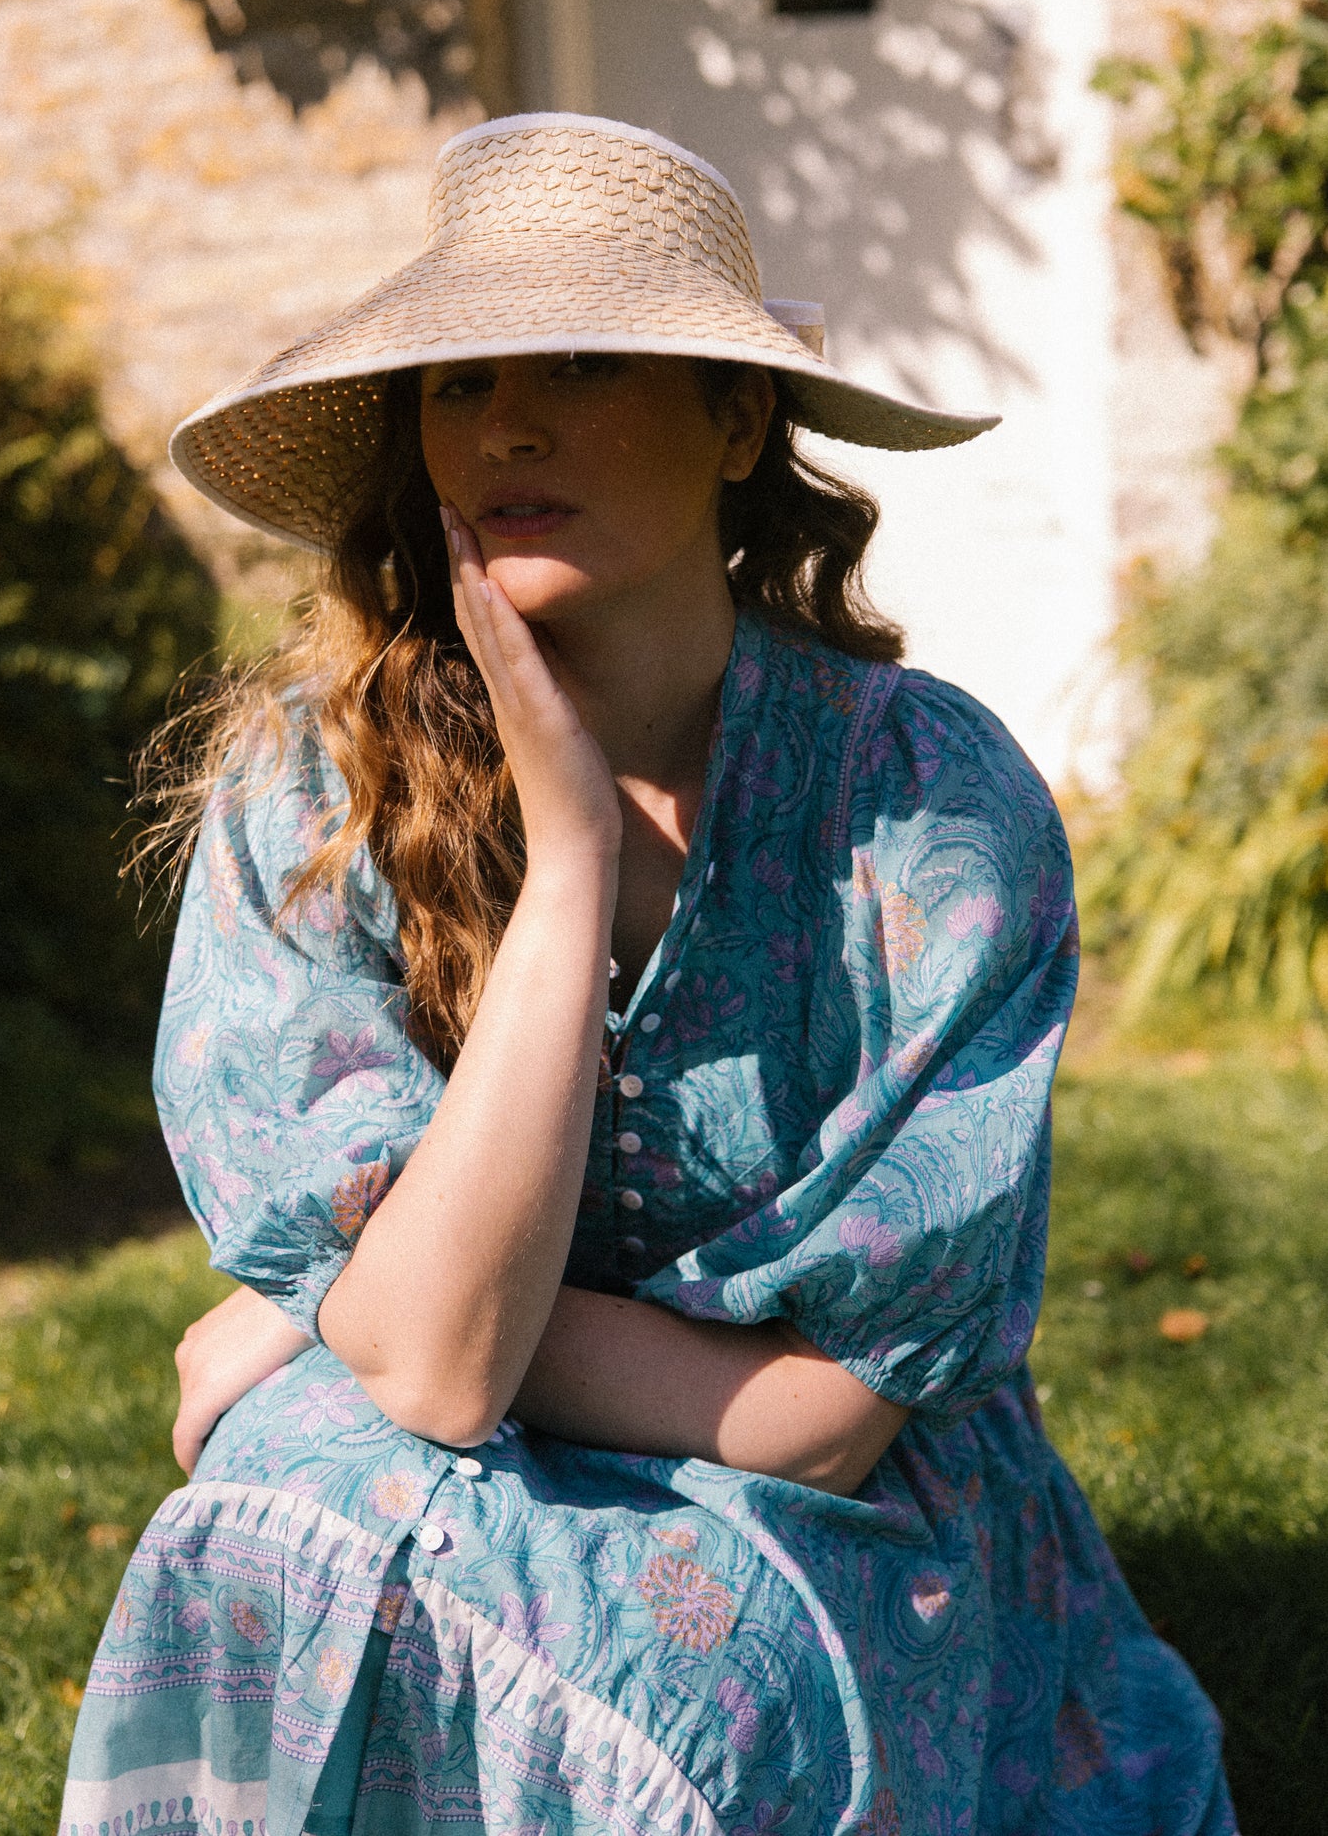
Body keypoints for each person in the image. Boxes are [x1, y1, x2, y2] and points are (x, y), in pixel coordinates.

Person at [60, 115, 1236, 1836]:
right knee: (270, 1517)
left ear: (739, 415)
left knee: (673, 1672)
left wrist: (334, 1313)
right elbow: (435, 1389)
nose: (509, 423)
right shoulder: (311, 790)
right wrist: (567, 876)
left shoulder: (929, 813)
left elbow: (823, 1422)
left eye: (587, 363)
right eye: (459, 384)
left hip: (844, 1510)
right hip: (475, 1426)